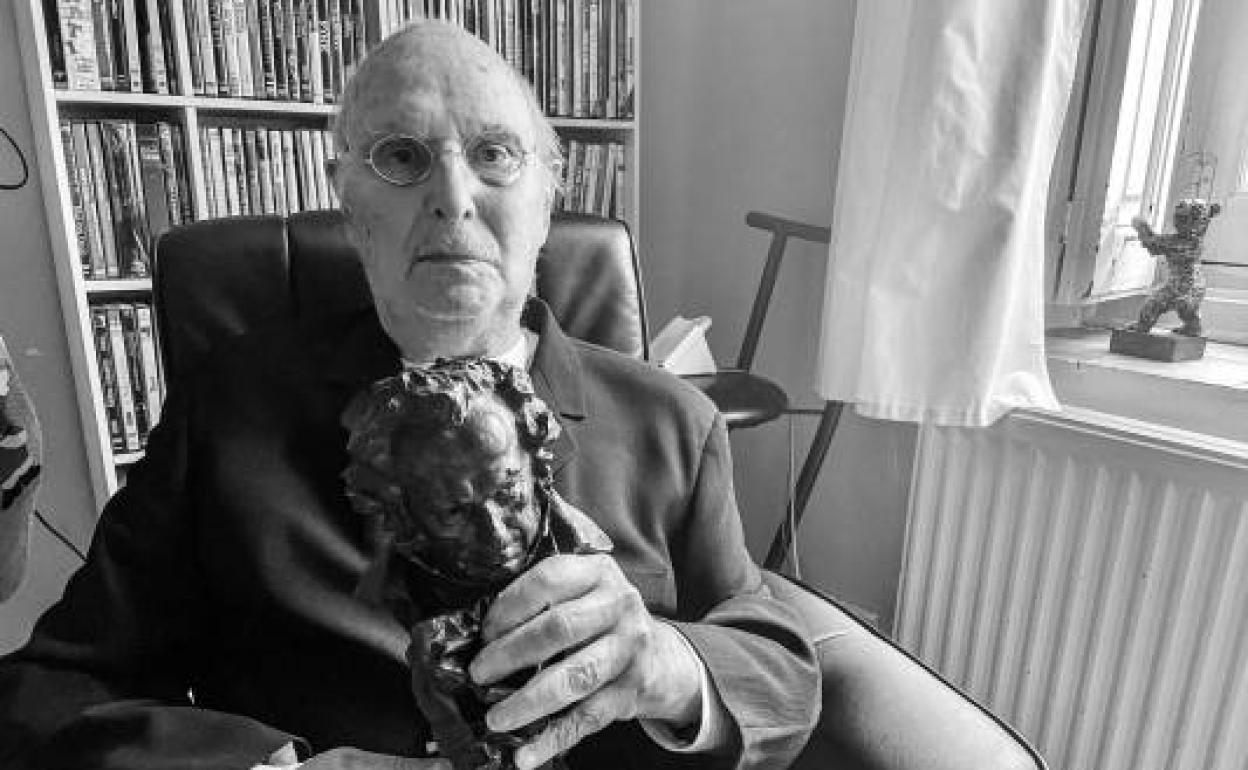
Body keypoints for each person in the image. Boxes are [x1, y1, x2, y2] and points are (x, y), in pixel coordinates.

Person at [0, 22, 818, 770]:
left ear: (546, 201)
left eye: (495, 153)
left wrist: (671, 666)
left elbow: (781, 671)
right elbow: (47, 693)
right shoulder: (224, 410)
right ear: (349, 203)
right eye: (401, 157)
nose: (453, 196)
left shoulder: (674, 422)